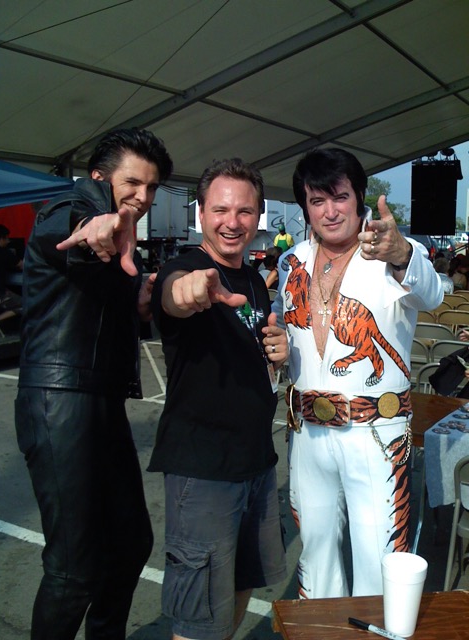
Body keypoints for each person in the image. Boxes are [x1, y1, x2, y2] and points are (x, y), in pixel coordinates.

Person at [14, 128, 173, 640]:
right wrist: (94, 225)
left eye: (152, 188)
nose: (143, 198)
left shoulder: (126, 243)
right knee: (73, 568)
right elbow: (64, 228)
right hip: (59, 402)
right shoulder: (72, 206)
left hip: (100, 405)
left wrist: (141, 303)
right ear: (99, 176)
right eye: (132, 183)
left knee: (130, 544)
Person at [272, 147, 443, 599]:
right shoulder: (291, 264)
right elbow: (290, 339)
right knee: (315, 553)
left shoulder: (393, 251)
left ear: (360, 196)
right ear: (305, 206)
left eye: (340, 197)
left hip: (376, 435)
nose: (330, 212)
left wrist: (404, 251)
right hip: (307, 434)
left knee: (380, 559)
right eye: (317, 201)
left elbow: (432, 295)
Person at [149, 158, 288, 640]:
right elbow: (173, 296)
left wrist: (278, 353)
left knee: (241, 585)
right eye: (221, 210)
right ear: (201, 214)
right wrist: (183, 293)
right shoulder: (186, 267)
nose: (233, 222)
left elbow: (256, 353)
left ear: (258, 216)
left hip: (256, 462)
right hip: (204, 469)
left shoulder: (252, 279)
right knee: (198, 615)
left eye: (245, 211)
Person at [0, 223, 23, 332]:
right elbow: (22, 265)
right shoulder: (4, 253)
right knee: (26, 304)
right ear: (1, 239)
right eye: (7, 238)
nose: (8, 241)